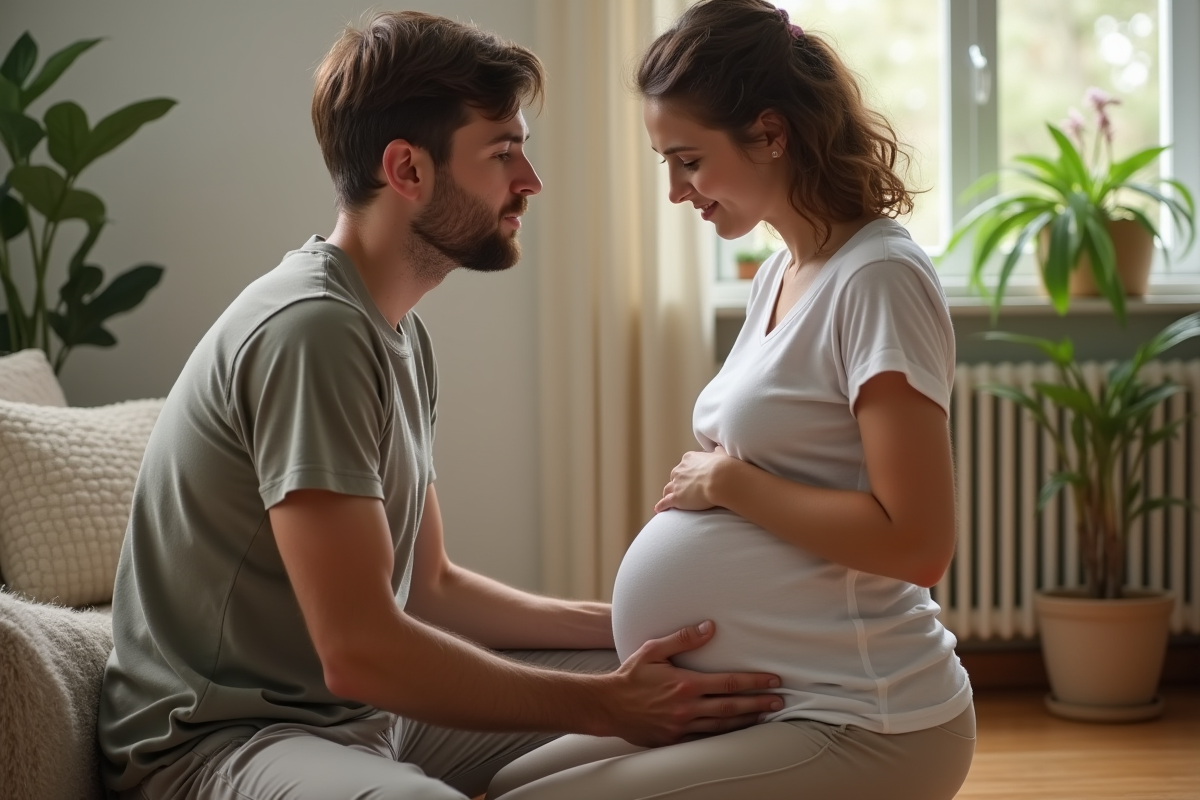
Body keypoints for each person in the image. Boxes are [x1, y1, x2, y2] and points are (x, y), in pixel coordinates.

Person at [97, 11, 784, 800]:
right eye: (502, 153)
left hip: (362, 718)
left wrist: (640, 627)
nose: (530, 181)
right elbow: (358, 649)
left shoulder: (397, 333)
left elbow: (432, 590)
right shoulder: (313, 332)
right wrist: (606, 704)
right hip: (224, 742)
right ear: (408, 170)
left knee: (695, 682)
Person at [487, 2, 975, 798]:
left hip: (863, 715)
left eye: (688, 161)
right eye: (666, 164)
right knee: (510, 782)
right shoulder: (781, 272)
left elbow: (918, 543)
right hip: (771, 699)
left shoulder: (879, 279)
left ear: (770, 134)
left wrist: (726, 482)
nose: (676, 191)